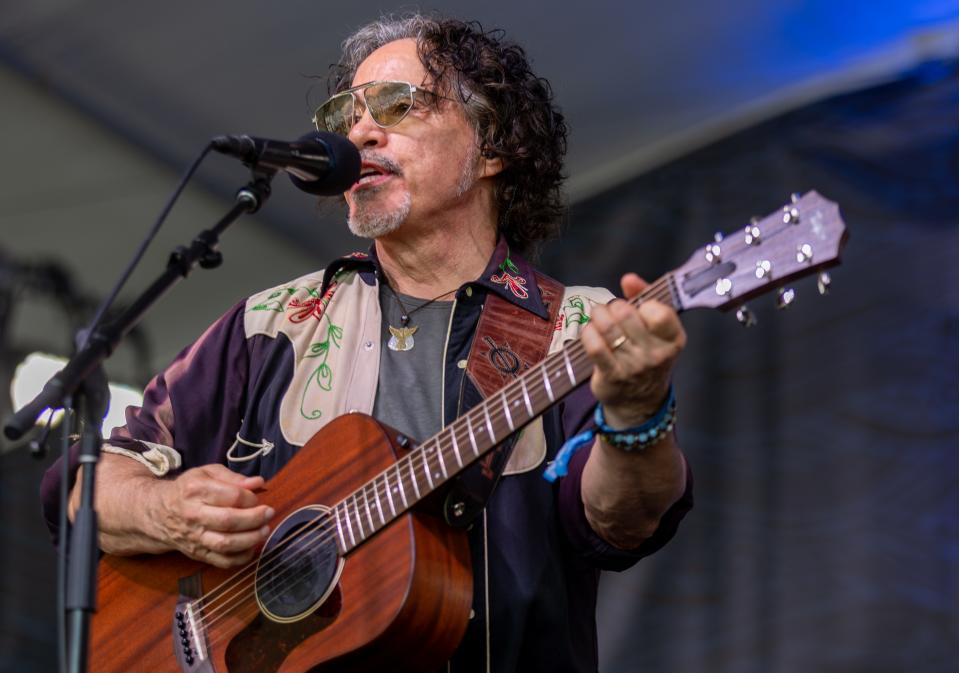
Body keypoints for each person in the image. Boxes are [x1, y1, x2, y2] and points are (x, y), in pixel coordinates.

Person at [41, 14, 692, 673]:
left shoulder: (580, 327)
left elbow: (624, 521)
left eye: (398, 105)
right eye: (346, 114)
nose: (359, 132)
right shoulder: (271, 324)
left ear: (492, 146)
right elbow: (84, 485)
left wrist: (637, 415)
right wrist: (164, 509)